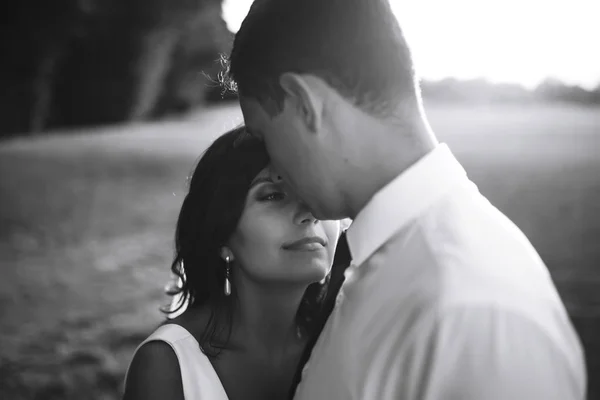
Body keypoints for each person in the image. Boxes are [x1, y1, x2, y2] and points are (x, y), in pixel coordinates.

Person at [222, 0, 588, 398]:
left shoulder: (473, 313)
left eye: (264, 136)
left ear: (305, 104)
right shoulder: (389, 262)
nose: (273, 166)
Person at [123, 126, 349, 400]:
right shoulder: (167, 365)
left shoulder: (345, 338)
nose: (311, 212)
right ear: (221, 234)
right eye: (273, 195)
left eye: (315, 189)